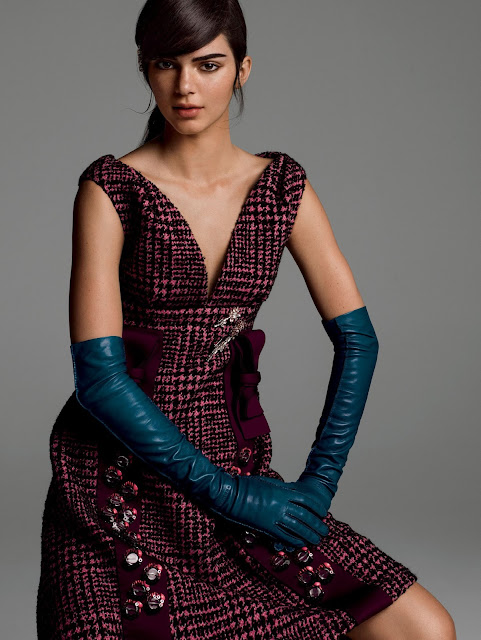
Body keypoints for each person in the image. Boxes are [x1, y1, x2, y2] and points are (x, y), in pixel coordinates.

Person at [36, 1, 456, 638]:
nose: (186, 85)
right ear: (146, 71)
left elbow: (358, 339)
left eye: (208, 64)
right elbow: (99, 379)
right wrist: (225, 494)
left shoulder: (283, 186)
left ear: (243, 69)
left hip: (235, 460)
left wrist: (317, 486)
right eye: (166, 64)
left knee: (425, 629)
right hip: (117, 479)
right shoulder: (111, 188)